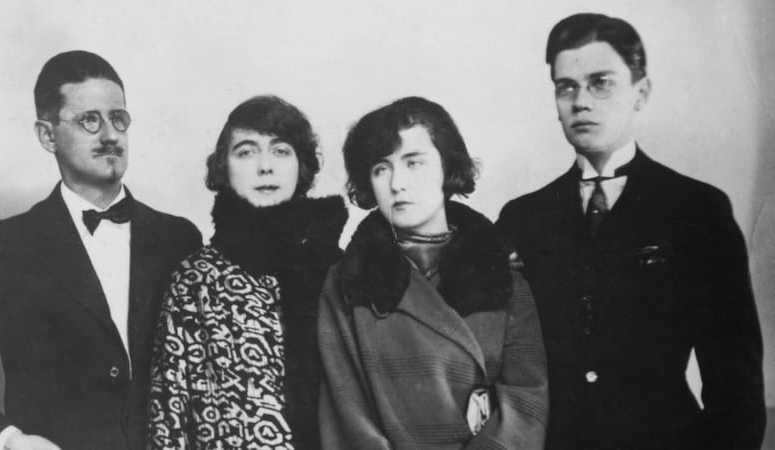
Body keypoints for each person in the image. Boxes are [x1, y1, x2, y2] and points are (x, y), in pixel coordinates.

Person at [496, 13, 766, 450]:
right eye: (566, 87)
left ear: (641, 93)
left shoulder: (698, 210)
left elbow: (736, 383)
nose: (581, 102)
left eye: (601, 83)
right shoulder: (522, 217)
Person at [0, 50, 202, 450]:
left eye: (119, 119)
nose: (111, 135)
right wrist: (9, 440)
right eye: (89, 120)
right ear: (47, 136)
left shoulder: (179, 239)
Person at [318, 96, 548, 449]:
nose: (397, 183)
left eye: (414, 163)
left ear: (447, 167)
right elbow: (347, 413)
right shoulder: (346, 282)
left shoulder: (505, 277)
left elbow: (526, 400)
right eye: (381, 168)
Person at [147, 95, 347, 449]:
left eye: (281, 151)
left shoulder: (338, 269)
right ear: (224, 167)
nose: (265, 167)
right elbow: (169, 415)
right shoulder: (196, 278)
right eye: (246, 152)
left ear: (301, 165)